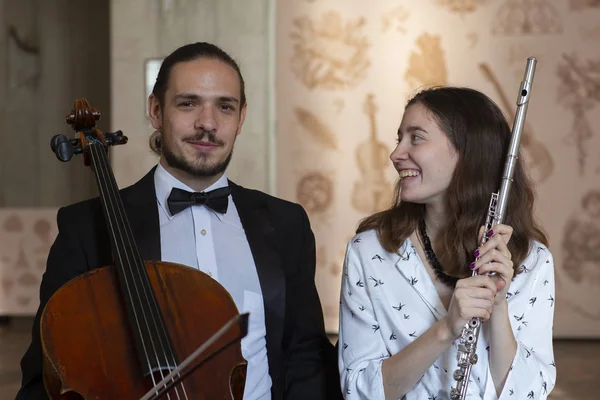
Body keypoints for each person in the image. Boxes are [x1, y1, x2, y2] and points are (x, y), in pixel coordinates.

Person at [17, 42, 340, 400]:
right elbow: (43, 376)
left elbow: (305, 356)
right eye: (188, 103)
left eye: (225, 106)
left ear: (241, 117)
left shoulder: (287, 223)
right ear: (156, 111)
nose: (208, 123)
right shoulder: (88, 228)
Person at [338, 86, 555, 399]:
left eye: (416, 137)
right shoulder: (369, 251)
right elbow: (359, 390)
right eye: (399, 138)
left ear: (467, 151)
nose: (396, 153)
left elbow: (530, 393)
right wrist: (445, 329)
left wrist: (498, 308)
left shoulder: (532, 260)